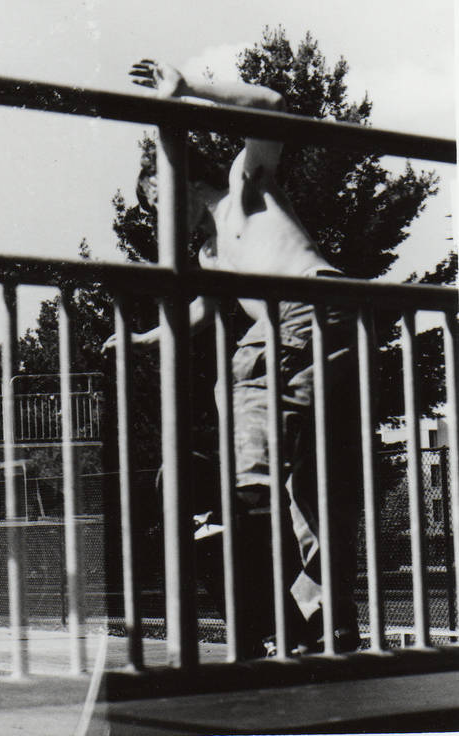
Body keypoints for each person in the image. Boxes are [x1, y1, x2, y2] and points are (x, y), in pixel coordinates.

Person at [103, 59, 362, 657]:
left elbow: (270, 104)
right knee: (312, 486)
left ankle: (241, 529)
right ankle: (327, 613)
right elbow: (204, 309)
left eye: (157, 206)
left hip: (303, 314)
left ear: (184, 186)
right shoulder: (215, 250)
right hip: (335, 326)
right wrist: (147, 340)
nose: (158, 223)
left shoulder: (246, 187)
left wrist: (187, 90)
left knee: (244, 398)